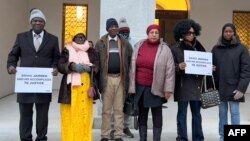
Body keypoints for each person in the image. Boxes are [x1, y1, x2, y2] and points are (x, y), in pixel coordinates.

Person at [6, 8, 60, 141]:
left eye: (40, 21)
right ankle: (25, 138)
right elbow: (13, 54)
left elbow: (56, 58)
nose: (37, 23)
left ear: (44, 23)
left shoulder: (53, 39)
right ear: (31, 22)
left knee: (42, 115)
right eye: (35, 20)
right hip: (25, 84)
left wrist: (55, 67)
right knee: (25, 114)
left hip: (43, 84)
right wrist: (11, 66)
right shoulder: (21, 37)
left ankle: (41, 138)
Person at [128, 24, 175, 141]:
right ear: (148, 34)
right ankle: (142, 138)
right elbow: (132, 67)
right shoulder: (139, 45)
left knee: (157, 115)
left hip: (156, 87)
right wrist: (131, 85)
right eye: (151, 32)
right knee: (142, 115)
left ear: (159, 35)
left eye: (156, 33)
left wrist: (168, 89)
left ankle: (156, 139)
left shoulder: (165, 49)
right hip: (140, 87)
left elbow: (170, 71)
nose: (154, 35)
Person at [95, 18, 133, 141]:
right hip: (106, 80)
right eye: (110, 26)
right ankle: (104, 135)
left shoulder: (124, 43)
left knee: (119, 109)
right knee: (106, 110)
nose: (113, 28)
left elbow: (130, 61)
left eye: (115, 26)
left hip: (120, 80)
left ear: (118, 28)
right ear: (107, 28)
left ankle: (118, 135)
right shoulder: (100, 43)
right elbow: (96, 63)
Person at [211, 23, 250, 141]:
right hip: (220, 87)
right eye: (226, 31)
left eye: (230, 31)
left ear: (234, 33)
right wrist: (210, 68)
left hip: (235, 88)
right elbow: (211, 67)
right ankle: (222, 136)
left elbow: (246, 69)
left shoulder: (242, 48)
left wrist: (242, 89)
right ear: (222, 33)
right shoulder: (216, 49)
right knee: (222, 114)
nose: (228, 33)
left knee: (235, 113)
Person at [57, 33, 99, 141]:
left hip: (86, 86)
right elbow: (60, 65)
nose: (81, 39)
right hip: (69, 88)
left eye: (83, 37)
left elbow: (97, 65)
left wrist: (90, 68)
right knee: (69, 115)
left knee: (84, 115)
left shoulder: (91, 50)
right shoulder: (67, 49)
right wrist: (72, 66)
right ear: (74, 39)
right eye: (78, 37)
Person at [170, 19, 206, 141]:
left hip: (196, 86)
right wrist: (178, 67)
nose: (191, 35)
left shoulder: (199, 47)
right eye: (188, 33)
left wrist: (209, 67)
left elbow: (205, 62)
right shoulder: (175, 48)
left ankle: (198, 138)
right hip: (182, 86)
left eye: (193, 33)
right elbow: (169, 68)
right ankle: (182, 137)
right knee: (182, 114)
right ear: (182, 33)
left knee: (197, 114)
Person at [109, 17, 136, 139]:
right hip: (115, 77)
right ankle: (113, 128)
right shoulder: (113, 42)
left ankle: (125, 126)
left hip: (129, 78)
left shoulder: (134, 42)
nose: (124, 34)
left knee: (128, 104)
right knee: (114, 105)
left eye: (126, 31)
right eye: (122, 31)